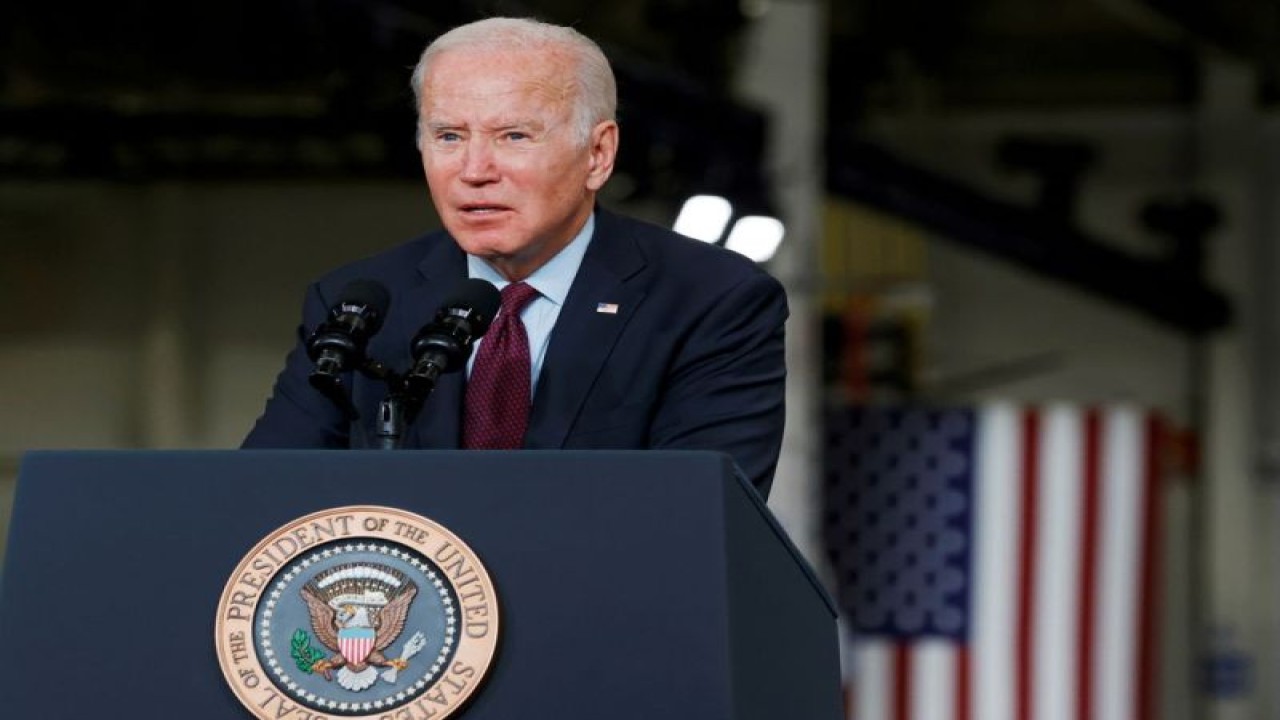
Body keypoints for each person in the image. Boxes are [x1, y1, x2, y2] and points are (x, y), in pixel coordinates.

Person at [242, 17, 788, 498]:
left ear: (598, 155)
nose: (475, 168)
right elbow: (261, 497)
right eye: (449, 136)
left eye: (514, 136)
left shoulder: (712, 300)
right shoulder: (359, 301)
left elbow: (696, 518)